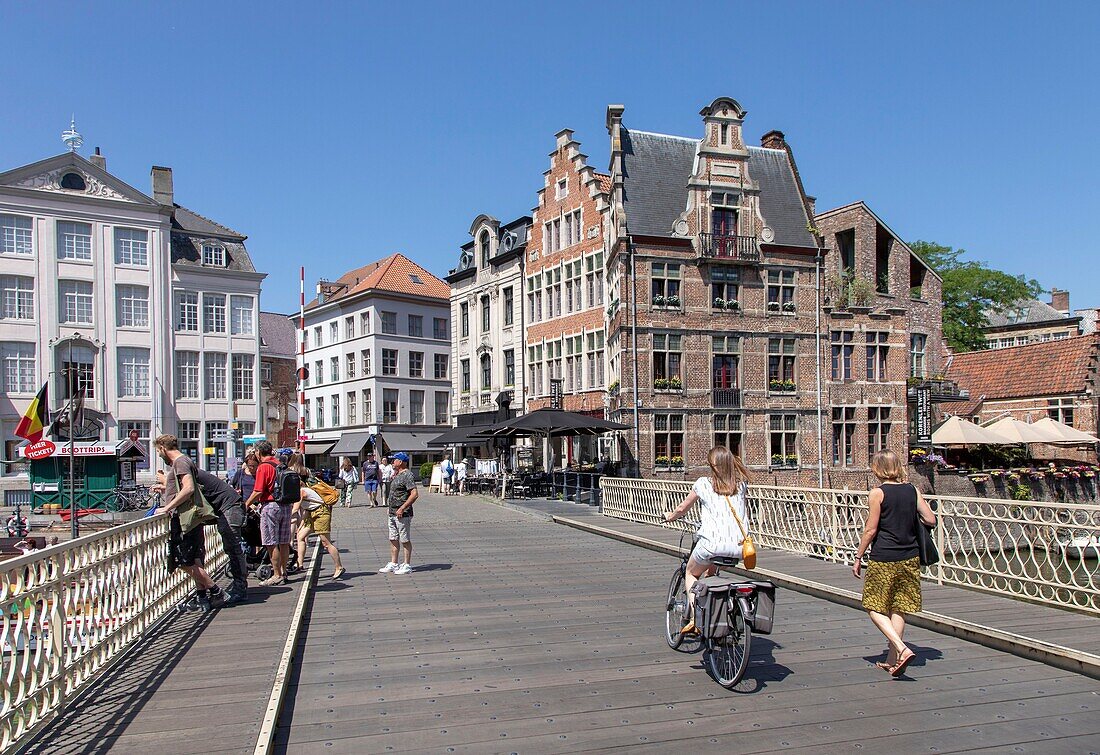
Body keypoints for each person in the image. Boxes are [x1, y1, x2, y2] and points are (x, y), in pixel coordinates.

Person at [853, 450, 937, 677]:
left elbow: (871, 529)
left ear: (877, 469)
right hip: (910, 556)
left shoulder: (877, 493)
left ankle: (901, 648)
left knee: (873, 606)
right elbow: (930, 519)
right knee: (899, 607)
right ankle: (893, 660)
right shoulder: (912, 490)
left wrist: (859, 556)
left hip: (884, 556)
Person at [663, 446, 752, 635]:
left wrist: (670, 516)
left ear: (712, 465)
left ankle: (697, 618)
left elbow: (681, 509)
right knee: (710, 575)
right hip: (739, 549)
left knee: (691, 573)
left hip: (711, 545)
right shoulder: (742, 484)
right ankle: (716, 610)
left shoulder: (703, 483)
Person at [155, 466, 248, 604]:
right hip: (226, 507)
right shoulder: (186, 468)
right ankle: (215, 591)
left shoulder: (183, 467)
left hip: (229, 507)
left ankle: (240, 590)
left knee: (233, 548)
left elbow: (188, 490)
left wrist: (166, 483)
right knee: (231, 548)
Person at [153, 434, 218, 611]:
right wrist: (166, 488)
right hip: (191, 517)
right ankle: (202, 596)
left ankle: (216, 590)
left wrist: (167, 507)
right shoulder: (186, 461)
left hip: (184, 518)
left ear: (162, 448)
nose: (159, 456)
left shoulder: (180, 463)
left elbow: (188, 488)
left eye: (158, 452)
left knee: (183, 561)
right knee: (195, 559)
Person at [244, 441, 292, 586]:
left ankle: (276, 575)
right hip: (286, 505)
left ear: (259, 452)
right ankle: (284, 573)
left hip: (271, 506)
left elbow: (258, 491)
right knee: (284, 542)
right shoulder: (279, 463)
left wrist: (245, 504)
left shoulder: (263, 467)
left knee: (271, 543)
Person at [293, 458, 346, 580]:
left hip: (321, 513)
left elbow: (295, 509)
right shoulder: (304, 489)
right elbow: (307, 508)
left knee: (326, 543)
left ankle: (339, 567)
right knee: (300, 536)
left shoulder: (302, 492)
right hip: (312, 513)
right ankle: (299, 564)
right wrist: (300, 526)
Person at [378, 452, 418, 575]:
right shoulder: (397, 474)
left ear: (400, 462)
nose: (392, 462)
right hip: (392, 512)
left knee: (404, 539)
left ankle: (407, 564)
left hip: (403, 513)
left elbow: (414, 494)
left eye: (394, 460)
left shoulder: (407, 475)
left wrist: (403, 507)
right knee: (393, 538)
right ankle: (394, 563)